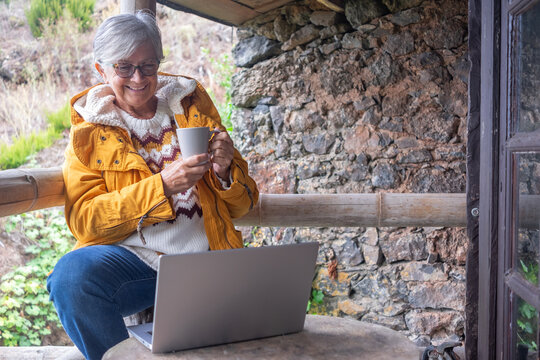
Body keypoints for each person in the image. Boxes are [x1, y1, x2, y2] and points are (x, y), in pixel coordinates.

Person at [46, 10, 258, 360]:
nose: (139, 78)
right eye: (124, 67)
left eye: (148, 65)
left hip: (206, 259)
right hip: (138, 265)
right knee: (71, 278)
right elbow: (86, 220)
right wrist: (162, 186)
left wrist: (224, 172)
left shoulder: (191, 108)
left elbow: (244, 205)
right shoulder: (89, 132)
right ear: (101, 70)